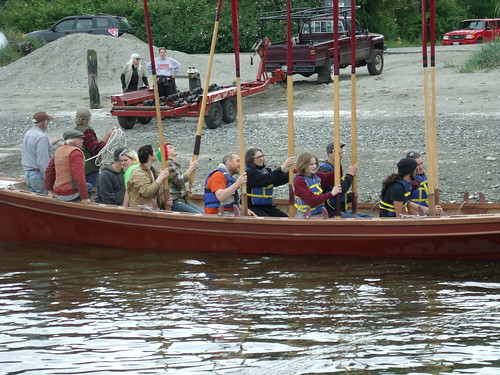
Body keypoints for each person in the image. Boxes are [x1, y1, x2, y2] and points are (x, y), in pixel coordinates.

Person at [318, 142, 372, 218]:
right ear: (329, 154)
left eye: (342, 152)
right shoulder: (324, 170)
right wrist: (350, 175)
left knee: (371, 218)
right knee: (361, 221)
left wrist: (350, 197)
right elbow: (339, 189)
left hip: (341, 210)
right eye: (337, 152)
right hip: (333, 212)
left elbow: (340, 193)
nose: (341, 154)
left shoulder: (336, 168)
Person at [44, 130, 92, 204]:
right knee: (89, 186)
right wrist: (84, 197)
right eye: (80, 138)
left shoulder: (58, 150)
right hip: (69, 194)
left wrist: (50, 190)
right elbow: (78, 176)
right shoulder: (75, 153)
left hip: (58, 192)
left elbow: (49, 171)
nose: (82, 141)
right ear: (73, 141)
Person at [245, 148, 295, 217]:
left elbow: (276, 180)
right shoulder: (249, 173)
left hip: (267, 206)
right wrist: (283, 166)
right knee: (267, 221)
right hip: (253, 207)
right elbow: (266, 179)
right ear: (251, 159)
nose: (262, 159)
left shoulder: (266, 171)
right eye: (258, 157)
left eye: (262, 156)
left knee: (285, 218)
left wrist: (291, 173)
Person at [74, 107, 115, 190]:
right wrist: (108, 136)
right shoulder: (87, 131)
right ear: (89, 118)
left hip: (80, 167)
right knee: (93, 191)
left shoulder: (75, 130)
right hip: (90, 170)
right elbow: (96, 150)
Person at [293, 152, 342, 218]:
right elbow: (311, 200)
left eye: (315, 163)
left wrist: (338, 160)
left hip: (320, 215)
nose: (315, 166)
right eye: (311, 164)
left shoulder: (317, 176)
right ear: (303, 165)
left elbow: (336, 176)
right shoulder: (299, 181)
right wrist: (332, 193)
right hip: (305, 217)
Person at [21, 111, 61, 194]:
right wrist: (49, 180)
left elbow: (32, 149)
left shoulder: (28, 134)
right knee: (47, 201)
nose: (48, 124)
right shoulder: (41, 137)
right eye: (48, 122)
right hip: (37, 175)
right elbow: (42, 162)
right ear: (43, 123)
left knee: (33, 200)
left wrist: (52, 143)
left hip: (28, 174)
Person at [127, 144, 170, 210]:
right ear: (150, 156)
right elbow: (147, 192)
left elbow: (158, 193)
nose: (156, 153)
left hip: (154, 209)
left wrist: (166, 201)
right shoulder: (137, 173)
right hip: (141, 211)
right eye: (154, 151)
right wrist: (161, 177)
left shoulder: (153, 171)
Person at [164, 143, 203, 214]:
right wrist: (191, 168)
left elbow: (178, 185)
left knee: (203, 213)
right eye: (170, 148)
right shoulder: (168, 164)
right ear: (166, 152)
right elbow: (179, 181)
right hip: (174, 202)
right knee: (199, 215)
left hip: (182, 200)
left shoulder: (175, 165)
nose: (174, 148)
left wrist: (185, 192)